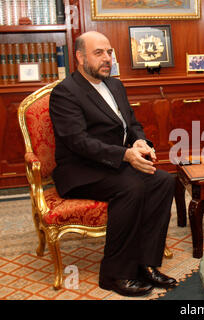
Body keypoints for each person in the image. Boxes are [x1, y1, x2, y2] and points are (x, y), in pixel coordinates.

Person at [49, 31, 177, 297]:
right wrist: (125, 155)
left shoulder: (115, 85)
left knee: (164, 181)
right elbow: (77, 141)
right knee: (131, 187)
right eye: (99, 53)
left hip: (113, 163)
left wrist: (140, 143)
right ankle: (114, 274)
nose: (107, 59)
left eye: (109, 53)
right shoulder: (66, 92)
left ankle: (147, 263)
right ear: (80, 57)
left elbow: (131, 124)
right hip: (79, 170)